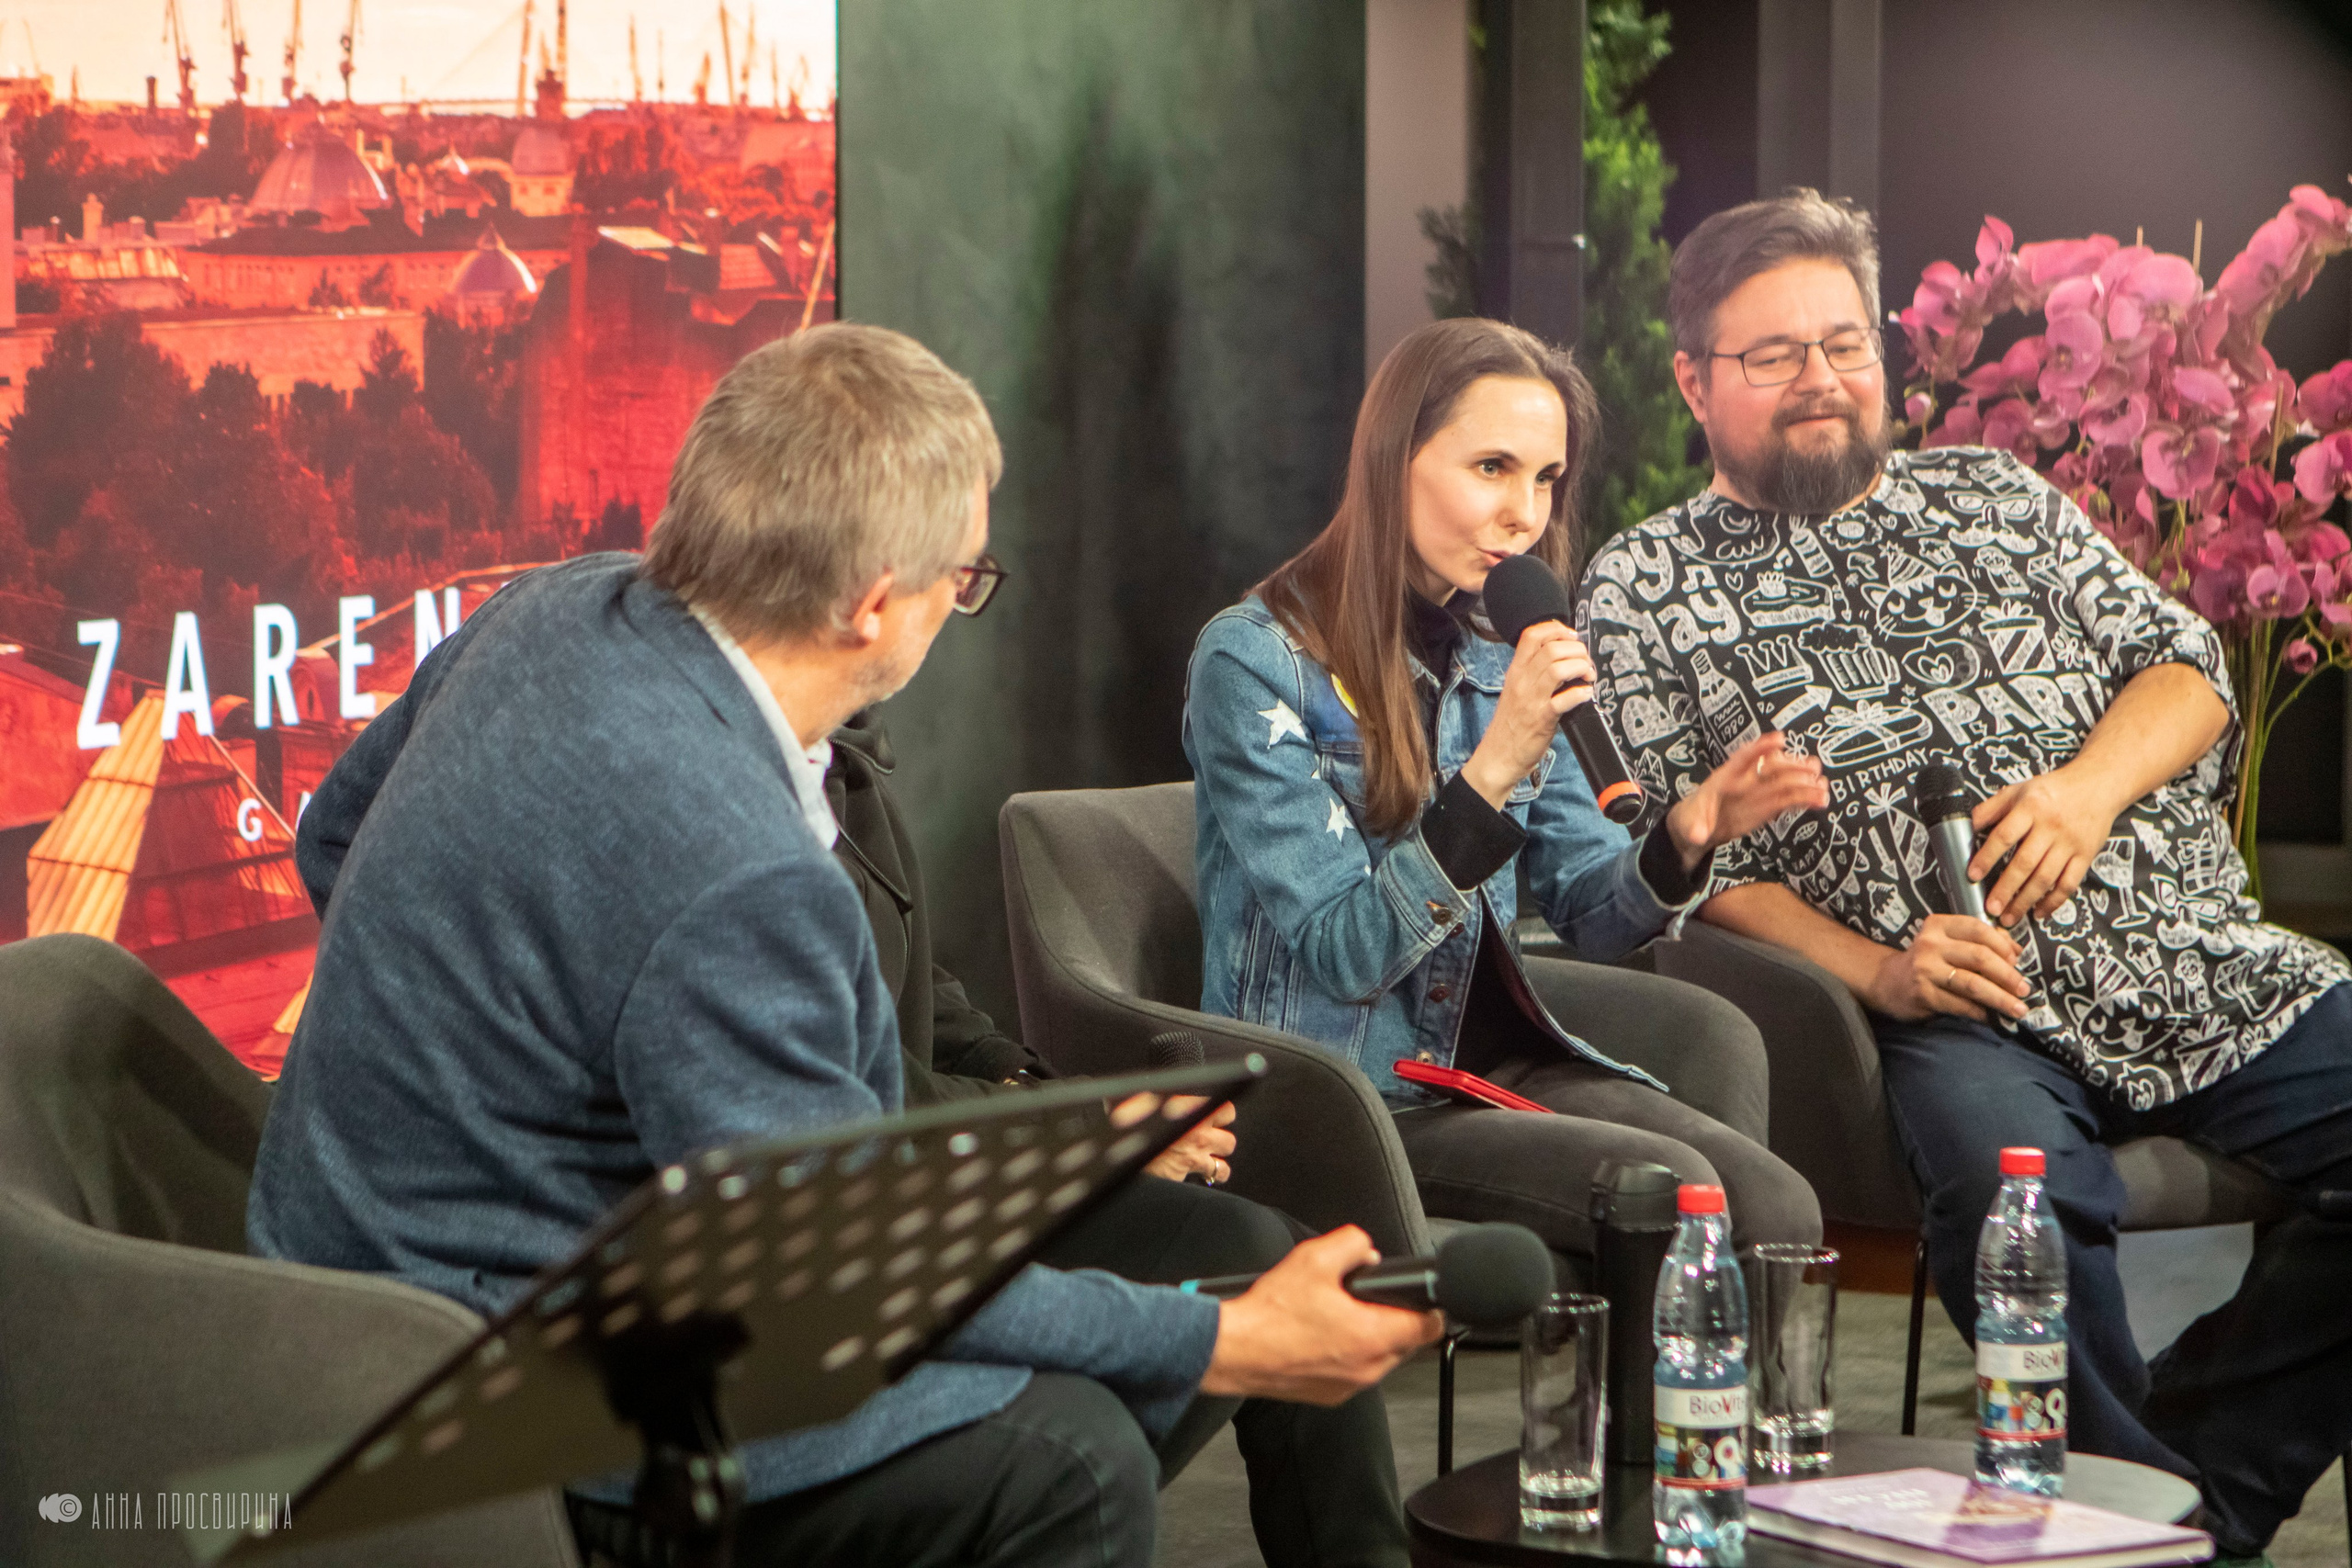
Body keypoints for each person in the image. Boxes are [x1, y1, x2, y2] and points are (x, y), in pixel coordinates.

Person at [246, 322, 1441, 1568]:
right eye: (964, 578)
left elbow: (333, 834)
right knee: (1072, 1458)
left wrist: (522, 1095)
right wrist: (1231, 1346)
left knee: (1203, 1271)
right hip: (515, 1368)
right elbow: (833, 1280)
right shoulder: (740, 864)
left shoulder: (546, 607)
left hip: (415, 1282)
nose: (960, 602)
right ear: (873, 602)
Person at [1583, 187, 2352, 1555]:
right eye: (1774, 355)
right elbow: (1692, 868)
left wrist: (2081, 790)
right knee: (2020, 1212)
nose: (1821, 380)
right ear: (1694, 378)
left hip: (2184, 954)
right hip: (1957, 997)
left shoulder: (1994, 496)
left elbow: (2189, 675)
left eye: (1843, 343)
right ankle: (2124, 1517)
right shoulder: (1643, 584)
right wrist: (1882, 966)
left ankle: (2192, 1500)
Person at [1182, 315, 1827, 1269]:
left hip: (1478, 1067)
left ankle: (1704, 1429)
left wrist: (1685, 834)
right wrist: (1490, 771)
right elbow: (1346, 953)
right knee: (1674, 1195)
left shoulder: (1497, 648)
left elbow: (1591, 918)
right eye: (1492, 467)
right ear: (1394, 461)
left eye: (1545, 479)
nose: (1525, 512)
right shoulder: (1255, 661)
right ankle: (1647, 1427)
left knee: (1780, 1204)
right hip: (1350, 1095)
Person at [823, 702, 1413, 1565]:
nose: (950, 608)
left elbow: (910, 986)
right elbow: (862, 1104)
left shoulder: (844, 767)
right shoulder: (739, 799)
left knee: (1273, 1256)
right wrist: (1091, 1129)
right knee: (1106, 1429)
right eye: (950, 582)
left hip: (947, 1165)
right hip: (868, 1219)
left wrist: (1018, 1075)